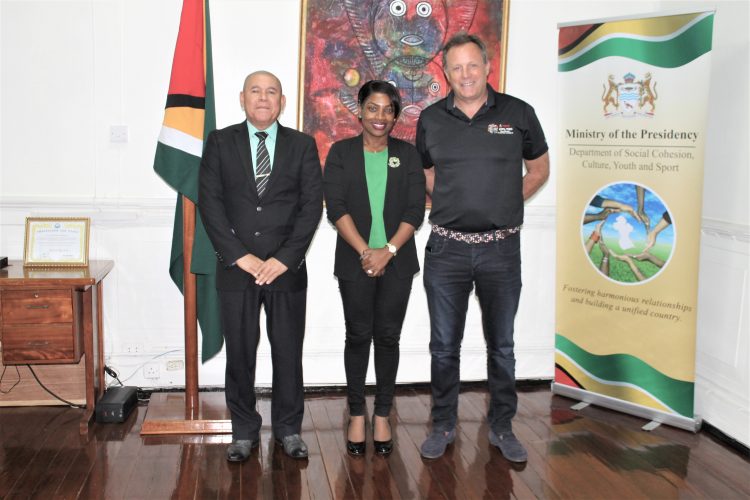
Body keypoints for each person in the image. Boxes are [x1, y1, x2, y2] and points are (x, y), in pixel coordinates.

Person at [415, 33, 550, 462]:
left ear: (487, 67)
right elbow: (427, 173)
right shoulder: (431, 119)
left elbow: (540, 168)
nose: (465, 74)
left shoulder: (518, 113)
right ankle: (442, 424)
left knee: (503, 346)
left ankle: (502, 427)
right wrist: (456, 201)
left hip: (501, 250)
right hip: (447, 251)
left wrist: (506, 201)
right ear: (446, 73)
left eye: (472, 65)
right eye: (456, 67)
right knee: (443, 347)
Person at [198, 71, 323, 462]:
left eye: (271, 92)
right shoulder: (219, 143)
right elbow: (211, 204)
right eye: (256, 91)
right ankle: (243, 431)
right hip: (238, 270)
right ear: (242, 99)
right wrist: (242, 256)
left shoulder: (302, 145)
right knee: (240, 354)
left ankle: (288, 429)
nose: (263, 98)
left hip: (285, 271)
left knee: (288, 352)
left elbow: (310, 206)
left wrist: (283, 259)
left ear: (282, 102)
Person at [323, 80, 425, 456]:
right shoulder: (341, 153)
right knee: (357, 335)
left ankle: (382, 414)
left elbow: (415, 210)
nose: (380, 117)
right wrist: (368, 251)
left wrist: (389, 250)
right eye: (373, 108)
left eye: (387, 110)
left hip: (397, 263)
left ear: (396, 116)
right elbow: (336, 208)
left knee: (387, 337)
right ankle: (355, 413)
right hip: (355, 261)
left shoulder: (407, 155)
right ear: (360, 110)